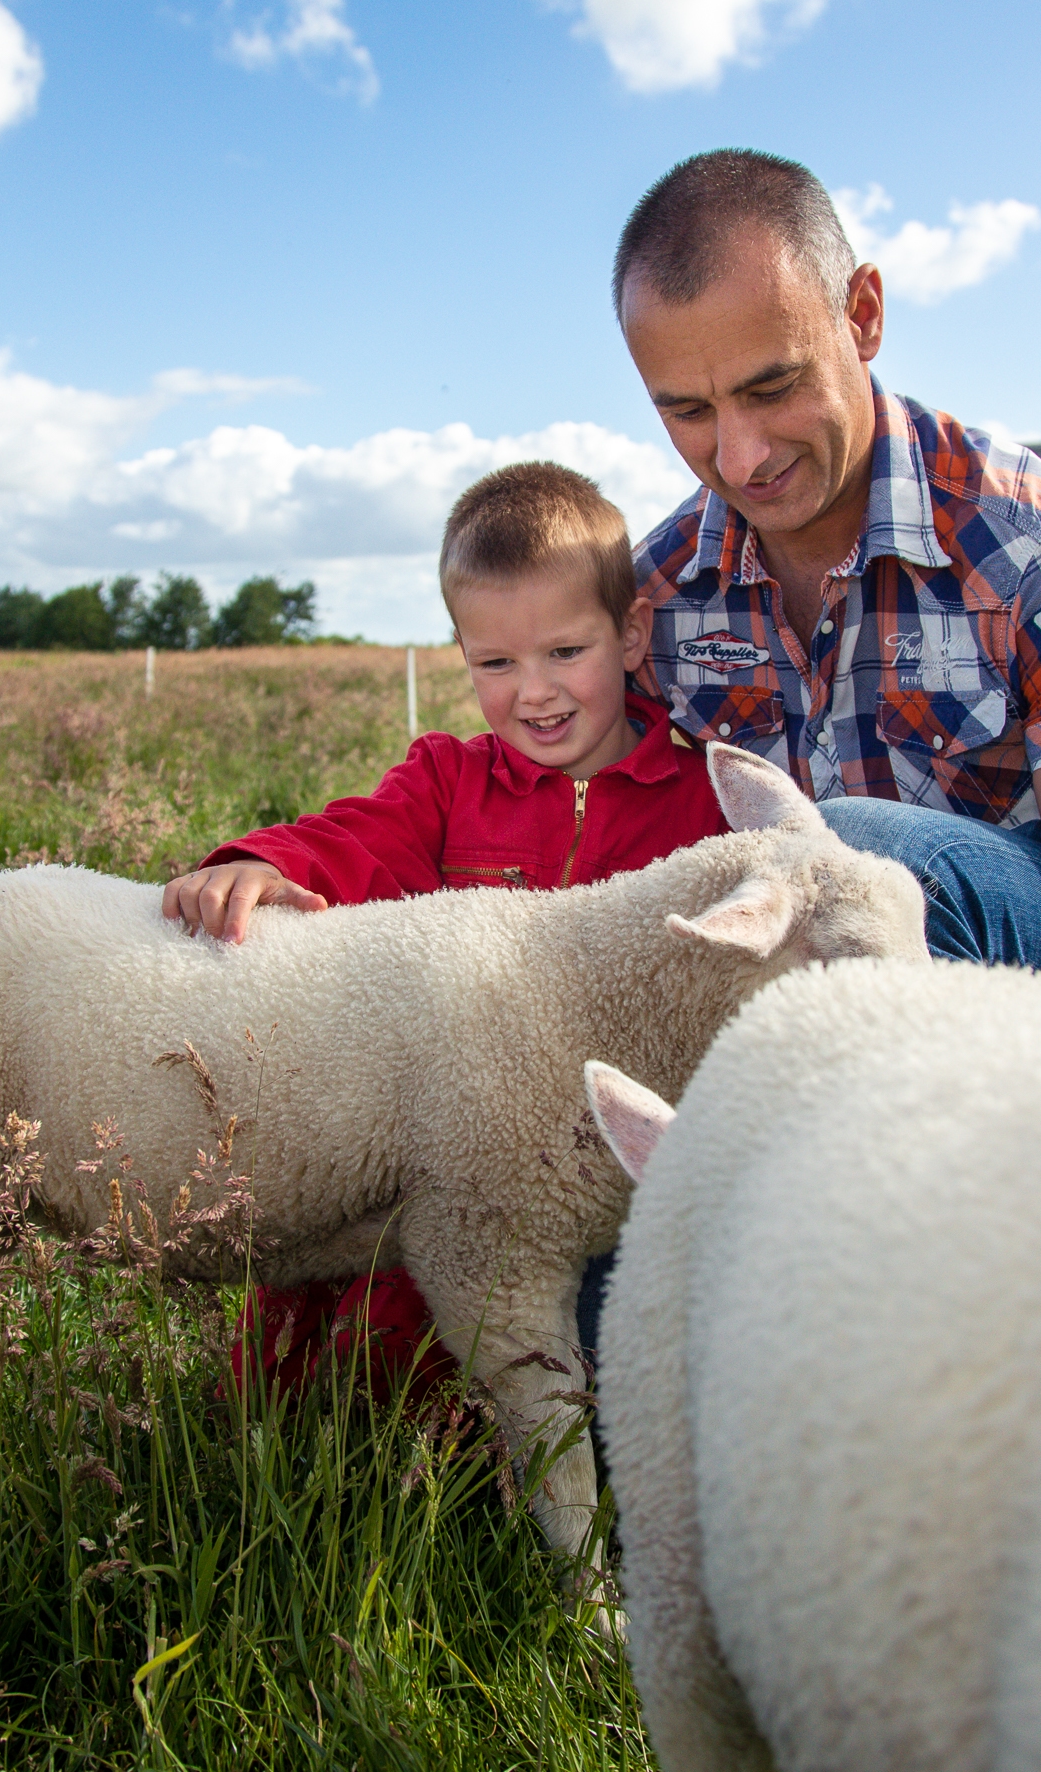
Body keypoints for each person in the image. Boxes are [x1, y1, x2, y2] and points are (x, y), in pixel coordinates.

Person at [161, 461, 735, 1402]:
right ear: (461, 654)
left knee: (553, 1350)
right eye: (495, 663)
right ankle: (325, 1456)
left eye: (565, 652)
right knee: (343, 1339)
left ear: (630, 636)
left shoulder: (701, 807)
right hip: (446, 1141)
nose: (534, 692)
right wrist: (264, 864)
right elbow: (356, 837)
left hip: (602, 1161)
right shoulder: (448, 782)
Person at [615, 147, 1041, 988]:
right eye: (689, 411)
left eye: (774, 388)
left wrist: (1011, 1114)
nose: (741, 457)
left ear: (864, 315)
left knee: (857, 859)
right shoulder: (652, 599)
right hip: (802, 1028)